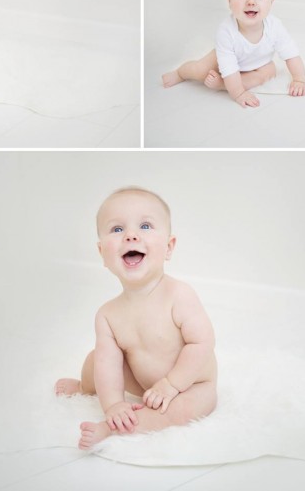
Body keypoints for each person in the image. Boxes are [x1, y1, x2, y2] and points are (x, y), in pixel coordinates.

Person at [55, 187, 218, 450]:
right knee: (97, 359)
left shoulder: (179, 295)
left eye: (145, 226)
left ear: (168, 246)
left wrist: (171, 385)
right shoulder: (108, 314)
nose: (131, 235)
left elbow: (202, 344)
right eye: (117, 230)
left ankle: (112, 430)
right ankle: (86, 389)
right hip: (145, 385)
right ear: (102, 254)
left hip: (192, 383)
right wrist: (114, 405)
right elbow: (109, 365)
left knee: (181, 411)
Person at [161, 0, 305, 108]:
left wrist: (299, 79)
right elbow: (229, 67)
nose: (251, 1)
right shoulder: (226, 31)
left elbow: (291, 54)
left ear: (271, 1)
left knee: (269, 73)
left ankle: (222, 85)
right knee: (200, 70)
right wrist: (239, 93)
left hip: (260, 63)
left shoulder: (275, 26)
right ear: (229, 0)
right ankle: (180, 73)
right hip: (224, 61)